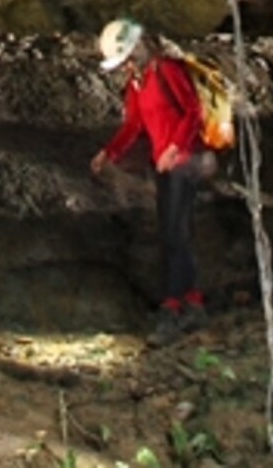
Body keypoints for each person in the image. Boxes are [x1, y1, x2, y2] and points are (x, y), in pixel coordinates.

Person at [91, 17, 211, 341]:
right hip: (164, 164)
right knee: (174, 233)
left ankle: (171, 310)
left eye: (128, 56)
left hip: (184, 161)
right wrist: (109, 152)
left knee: (174, 235)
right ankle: (193, 304)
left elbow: (192, 110)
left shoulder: (167, 69)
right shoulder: (136, 81)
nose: (126, 63)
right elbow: (133, 125)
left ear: (140, 45)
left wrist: (174, 147)